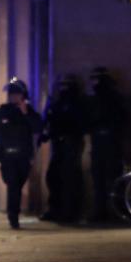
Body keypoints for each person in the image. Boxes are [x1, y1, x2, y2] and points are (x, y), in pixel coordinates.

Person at [0, 78, 43, 229]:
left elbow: (38, 128)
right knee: (13, 186)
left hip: (23, 157)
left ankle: (14, 215)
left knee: (18, 185)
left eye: (16, 93)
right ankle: (13, 217)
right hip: (7, 158)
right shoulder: (2, 112)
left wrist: (25, 114)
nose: (13, 96)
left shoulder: (29, 112)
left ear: (23, 95)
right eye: (11, 93)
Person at [40, 74, 88, 223]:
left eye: (66, 85)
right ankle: (55, 209)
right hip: (58, 142)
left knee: (70, 177)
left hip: (71, 142)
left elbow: (77, 122)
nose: (63, 89)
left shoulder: (77, 103)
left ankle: (70, 211)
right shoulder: (57, 102)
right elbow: (49, 120)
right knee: (54, 176)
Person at [88, 67, 127, 222]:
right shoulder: (97, 99)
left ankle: (112, 212)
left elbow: (121, 119)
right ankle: (103, 211)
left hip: (110, 144)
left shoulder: (112, 98)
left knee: (110, 180)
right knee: (100, 180)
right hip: (102, 144)